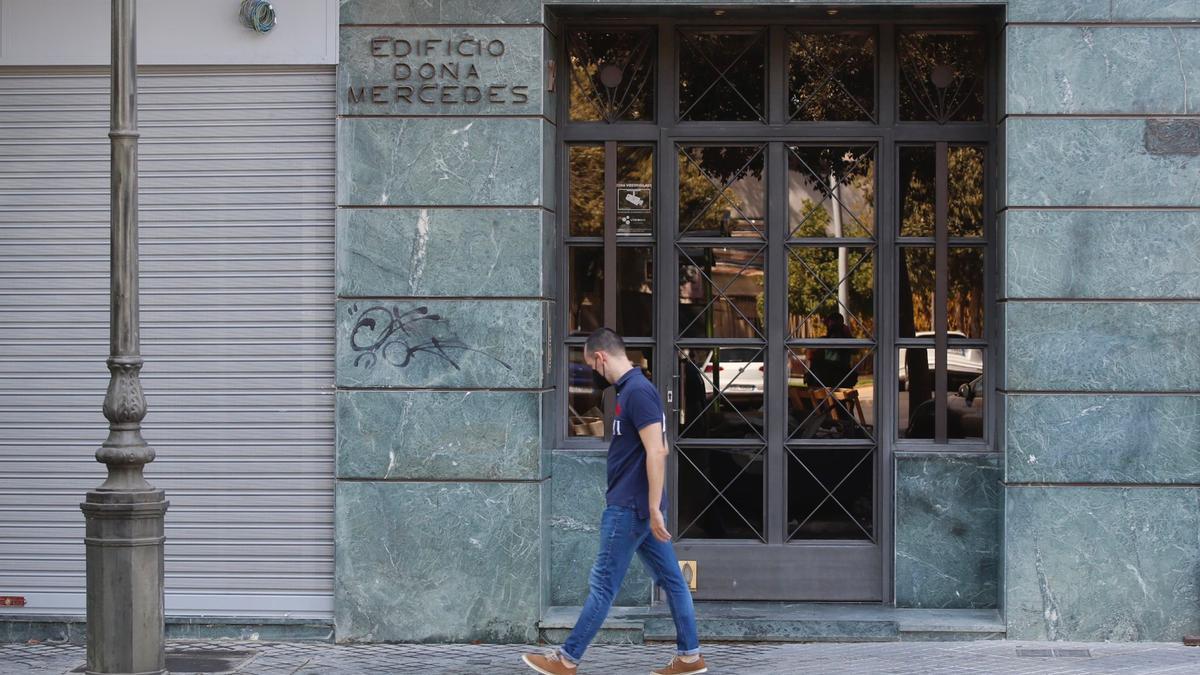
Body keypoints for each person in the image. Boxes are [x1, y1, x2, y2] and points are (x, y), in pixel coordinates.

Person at [522, 328, 706, 675]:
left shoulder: (637, 392)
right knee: (672, 581)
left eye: (591, 365)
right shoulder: (632, 390)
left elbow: (657, 451)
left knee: (603, 585)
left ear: (600, 357)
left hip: (629, 509)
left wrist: (653, 507)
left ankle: (567, 660)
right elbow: (656, 446)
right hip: (637, 507)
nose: (593, 372)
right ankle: (689, 657)